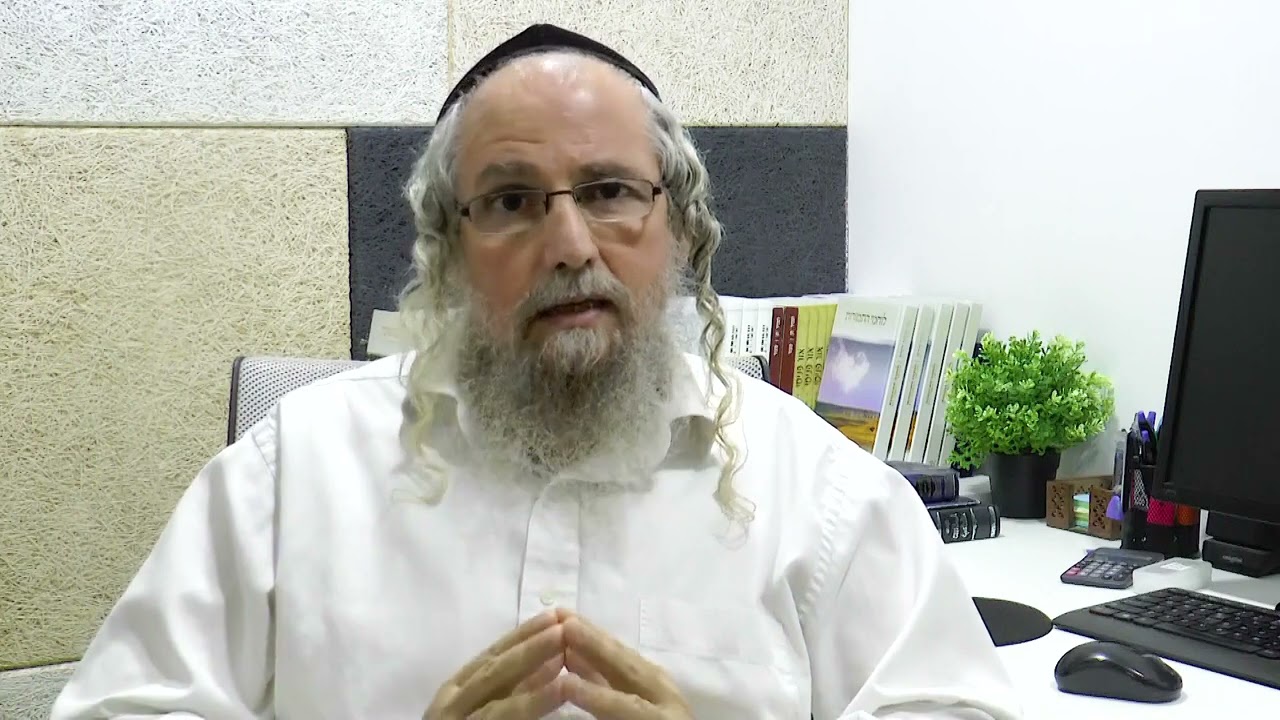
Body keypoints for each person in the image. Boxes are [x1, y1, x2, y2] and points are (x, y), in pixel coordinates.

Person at [52, 24, 1023, 720]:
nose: (568, 245)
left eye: (608, 191)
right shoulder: (290, 475)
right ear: (448, 252)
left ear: (680, 227)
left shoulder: (824, 495)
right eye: (512, 201)